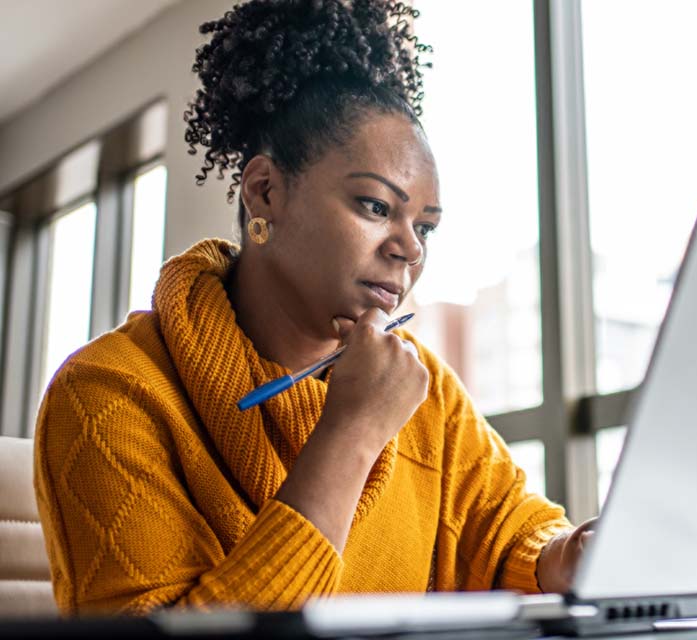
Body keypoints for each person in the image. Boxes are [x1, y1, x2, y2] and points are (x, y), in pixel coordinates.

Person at [34, 0, 593, 615]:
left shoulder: (425, 391)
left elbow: (507, 529)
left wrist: (562, 555)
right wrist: (351, 434)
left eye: (426, 227)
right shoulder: (108, 394)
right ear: (265, 192)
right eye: (376, 207)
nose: (409, 248)